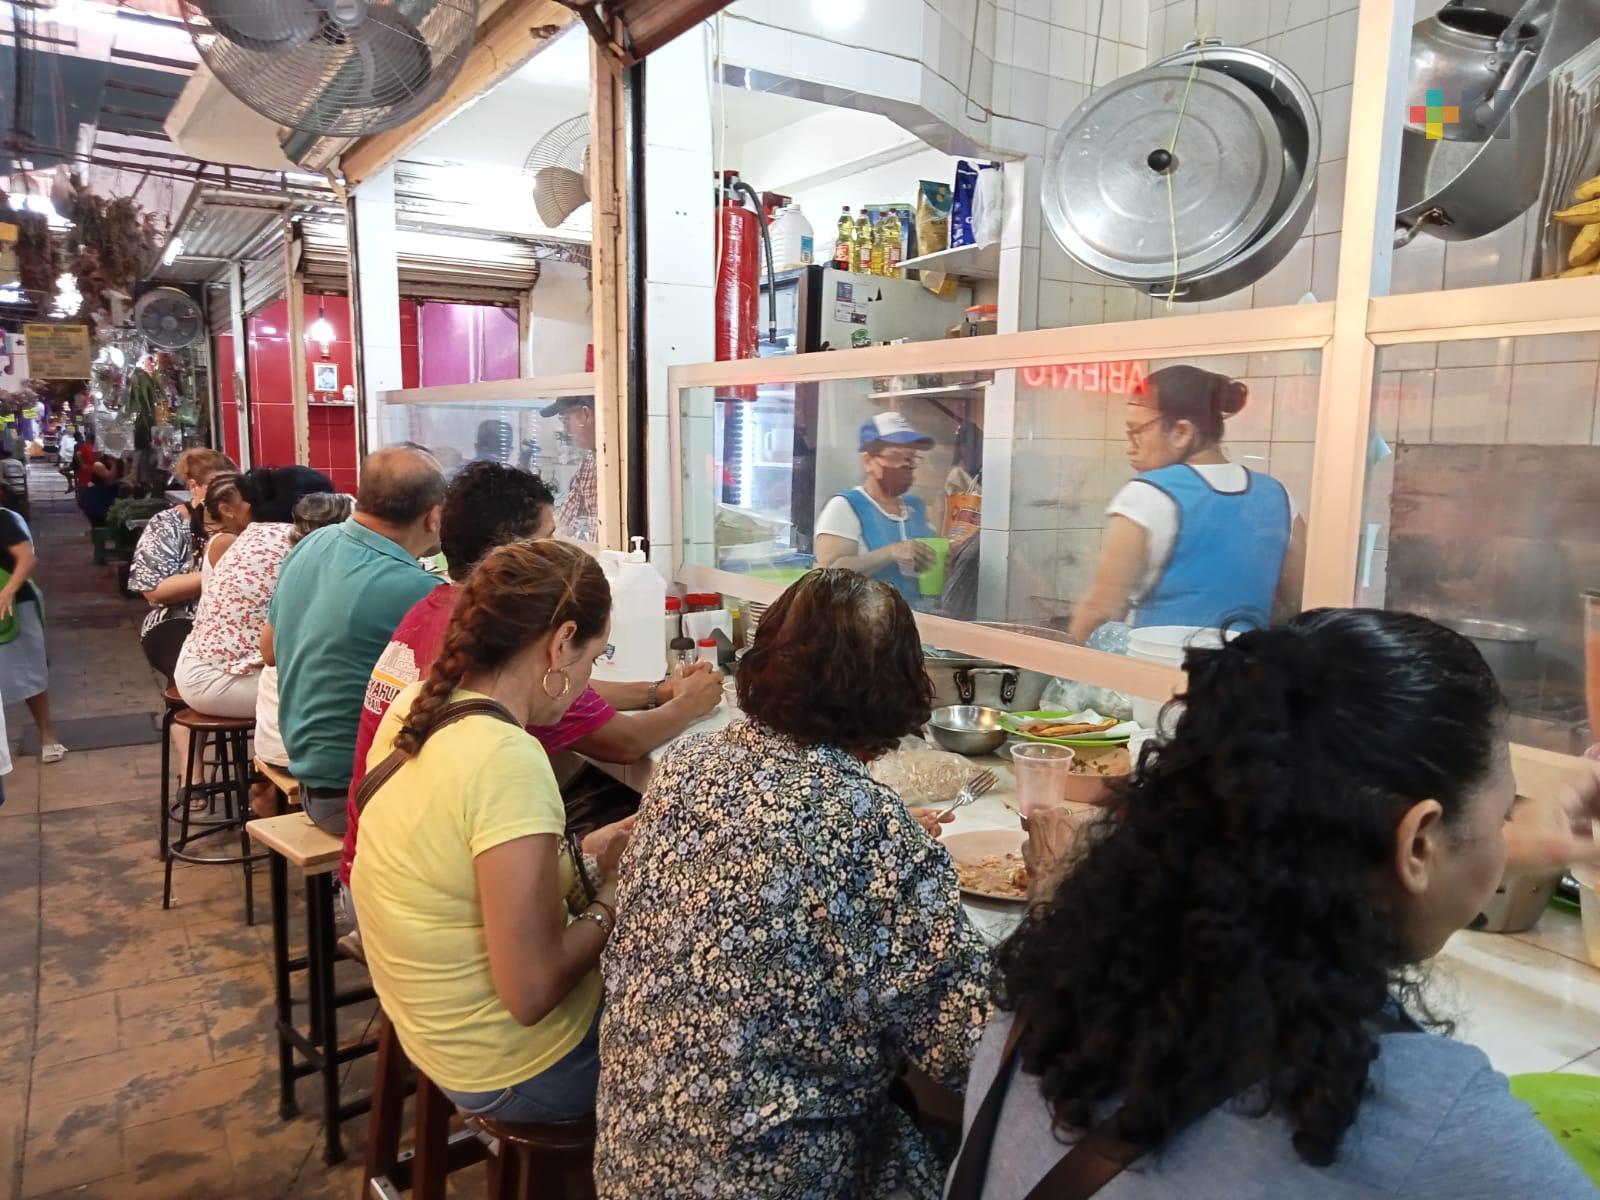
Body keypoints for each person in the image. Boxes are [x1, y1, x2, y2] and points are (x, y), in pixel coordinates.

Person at [947, 610, 1600, 1200]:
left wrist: (1515, 844)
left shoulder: (1061, 975)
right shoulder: (1425, 1116)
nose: (1501, 836)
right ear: (1419, 842)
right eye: (1501, 814)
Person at [596, 569, 991, 1200]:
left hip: (636, 1162)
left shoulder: (686, 768)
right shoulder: (869, 831)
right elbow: (973, 1049)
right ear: (894, 693)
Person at [336, 461, 724, 909]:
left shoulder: (439, 612)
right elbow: (626, 742)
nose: (555, 551)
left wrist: (654, 692)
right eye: (549, 538)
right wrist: (691, 704)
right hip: (406, 905)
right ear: (516, 555)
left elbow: (573, 687)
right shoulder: (509, 746)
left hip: (373, 873)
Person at [352, 539, 631, 1122]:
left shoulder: (418, 707)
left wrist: (582, 853)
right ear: (560, 644)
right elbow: (531, 992)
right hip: (515, 1066)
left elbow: (459, 860)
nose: (586, 679)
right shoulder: (505, 759)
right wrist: (613, 896)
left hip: (430, 1030)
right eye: (594, 658)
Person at [267, 446, 445, 833]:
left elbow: (268, 650)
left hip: (312, 780)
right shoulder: (415, 589)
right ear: (434, 517)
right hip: (357, 796)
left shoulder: (312, 543)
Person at [1068, 366, 1307, 643]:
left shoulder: (1146, 494)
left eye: (1137, 432)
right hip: (1244, 676)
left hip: (1156, 673)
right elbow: (1296, 604)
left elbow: (1101, 609)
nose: (1129, 447)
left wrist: (1063, 669)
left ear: (1181, 432)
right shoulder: (1282, 497)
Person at [172, 468, 335, 720]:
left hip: (198, 668)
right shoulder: (294, 541)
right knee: (347, 694)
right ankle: (279, 759)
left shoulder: (254, 534)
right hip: (223, 682)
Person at [253, 492, 354, 809]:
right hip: (303, 752)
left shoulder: (293, 569)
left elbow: (268, 653)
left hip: (276, 740)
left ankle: (265, 797)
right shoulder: (343, 580)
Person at [127, 448, 237, 683]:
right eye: (215, 486)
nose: (224, 495)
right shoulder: (167, 524)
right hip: (179, 622)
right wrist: (218, 571)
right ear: (193, 486)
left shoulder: (243, 520)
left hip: (235, 623)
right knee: (201, 678)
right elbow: (154, 590)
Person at [814, 412, 938, 605]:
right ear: (868, 461)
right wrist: (890, 553)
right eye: (896, 456)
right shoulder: (845, 507)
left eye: (911, 458)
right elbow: (827, 573)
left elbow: (931, 560)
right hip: (863, 625)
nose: (905, 465)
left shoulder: (916, 507)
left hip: (916, 621)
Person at [0, 505, 64, 762]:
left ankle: (47, 735)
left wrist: (8, 591)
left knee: (30, 672)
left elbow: (27, 557)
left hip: (16, 605)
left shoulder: (3, 519)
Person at [542, 395, 597, 542]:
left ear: (586, 415)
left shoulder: (621, 462)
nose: (566, 431)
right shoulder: (590, 461)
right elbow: (565, 521)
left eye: (566, 420)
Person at [0, 444, 27, 519]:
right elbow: (23, 474)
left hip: (11, 489)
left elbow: (0, 479)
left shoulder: (2, 463)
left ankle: (7, 513)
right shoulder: (18, 462)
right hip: (22, 487)